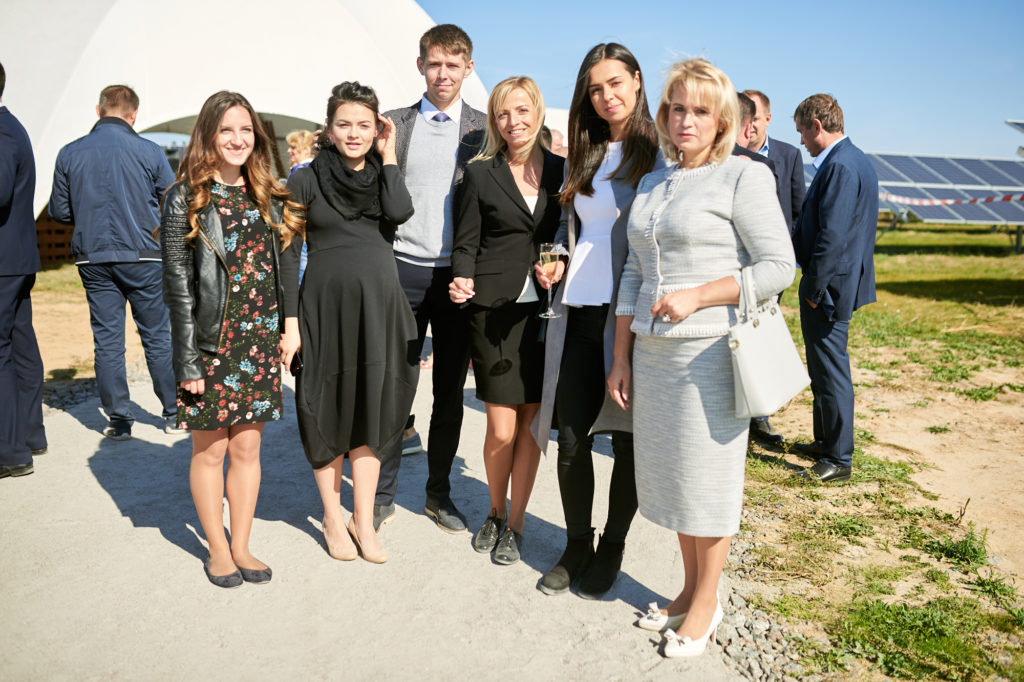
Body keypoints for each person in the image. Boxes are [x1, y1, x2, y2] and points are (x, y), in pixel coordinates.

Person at [608, 58, 794, 657]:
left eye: (701, 111)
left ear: (723, 120)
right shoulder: (652, 183)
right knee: (676, 480)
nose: (686, 120)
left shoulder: (743, 175)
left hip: (711, 353)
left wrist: (699, 295)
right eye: (677, 109)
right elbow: (633, 274)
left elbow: (778, 267)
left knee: (708, 483)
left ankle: (708, 603)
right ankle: (689, 591)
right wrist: (621, 357)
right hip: (653, 355)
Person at [530, 43, 660, 598]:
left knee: (626, 442)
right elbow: (572, 229)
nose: (606, 96)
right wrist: (556, 257)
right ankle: (576, 544)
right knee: (571, 438)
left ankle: (612, 548)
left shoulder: (658, 154)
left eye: (615, 83)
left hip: (629, 317)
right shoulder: (586, 152)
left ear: (637, 80)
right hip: (578, 311)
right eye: (595, 88)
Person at [160, 91, 303, 587]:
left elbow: (285, 269)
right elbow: (177, 287)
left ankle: (241, 544)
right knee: (211, 452)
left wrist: (288, 327)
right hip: (210, 345)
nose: (238, 139)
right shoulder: (185, 198)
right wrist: (187, 362)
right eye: (226, 130)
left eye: (246, 130)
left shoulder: (270, 195)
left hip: (257, 340)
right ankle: (217, 549)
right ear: (208, 135)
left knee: (246, 450)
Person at [288, 82, 418, 564]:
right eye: (344, 124)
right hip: (323, 309)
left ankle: (363, 520)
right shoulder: (305, 179)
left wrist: (390, 155)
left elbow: (401, 211)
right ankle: (331, 515)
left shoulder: (385, 176)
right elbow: (288, 254)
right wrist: (290, 322)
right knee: (324, 407)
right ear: (329, 129)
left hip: (378, 308)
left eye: (365, 125)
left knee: (372, 411)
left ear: (377, 129)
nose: (354, 133)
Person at [449, 76, 564, 565]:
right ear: (494, 121)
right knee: (500, 429)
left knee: (532, 429)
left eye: (521, 110)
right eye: (502, 113)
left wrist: (559, 261)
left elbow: (568, 235)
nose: (513, 121)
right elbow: (465, 242)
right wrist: (460, 277)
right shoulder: (480, 173)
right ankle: (495, 511)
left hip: (546, 312)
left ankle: (516, 524)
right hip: (492, 311)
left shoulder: (561, 170)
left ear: (537, 111)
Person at [376, 23, 486, 534]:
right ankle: (380, 493)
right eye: (435, 64)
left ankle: (438, 494)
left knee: (448, 393)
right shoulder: (392, 124)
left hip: (457, 278)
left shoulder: (484, 130)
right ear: (420, 66)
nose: (443, 74)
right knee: (393, 389)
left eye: (453, 64)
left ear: (468, 68)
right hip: (401, 270)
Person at [48, 84, 179, 440]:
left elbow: (59, 210)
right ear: (134, 115)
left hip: (93, 256)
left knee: (107, 340)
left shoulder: (69, 152)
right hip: (143, 254)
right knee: (156, 336)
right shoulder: (149, 151)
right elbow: (173, 201)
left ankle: (119, 419)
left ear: (99, 110)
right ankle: (172, 413)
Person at [789, 93, 878, 483]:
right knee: (823, 368)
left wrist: (813, 289)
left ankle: (838, 459)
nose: (801, 141)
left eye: (802, 132)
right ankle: (825, 441)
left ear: (817, 126)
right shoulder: (854, 159)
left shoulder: (840, 166)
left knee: (831, 370)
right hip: (836, 284)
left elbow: (833, 235)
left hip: (828, 290)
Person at [0, 61, 47, 479]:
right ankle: (30, 435)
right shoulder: (12, 126)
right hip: (14, 258)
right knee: (20, 345)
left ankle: (10, 450)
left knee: (6, 350)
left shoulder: (1, 132)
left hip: (4, 262)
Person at [742, 89, 805, 235]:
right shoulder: (725, 155)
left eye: (754, 119)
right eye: (744, 119)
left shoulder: (790, 156)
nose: (749, 125)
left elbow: (799, 213)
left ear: (768, 119)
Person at [285, 129, 316, 283]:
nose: (288, 151)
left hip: (301, 233)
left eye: (293, 147)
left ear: (305, 149)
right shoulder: (312, 168)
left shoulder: (301, 171)